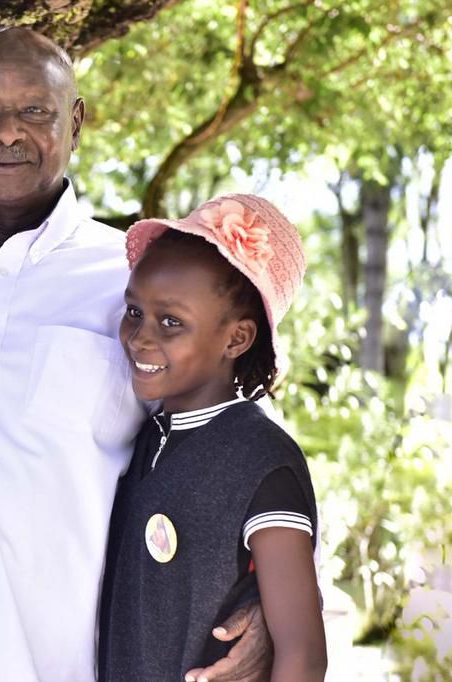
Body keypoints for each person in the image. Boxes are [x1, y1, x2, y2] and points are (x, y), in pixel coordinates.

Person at [0, 27, 271, 681]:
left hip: (52, 666)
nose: (8, 132)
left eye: (35, 111)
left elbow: (242, 453)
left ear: (76, 121)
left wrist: (268, 593)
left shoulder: (137, 283)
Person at [97, 194, 326, 681]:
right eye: (134, 311)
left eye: (172, 322)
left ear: (237, 339)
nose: (139, 337)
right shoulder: (145, 440)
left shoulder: (262, 458)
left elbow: (302, 652)